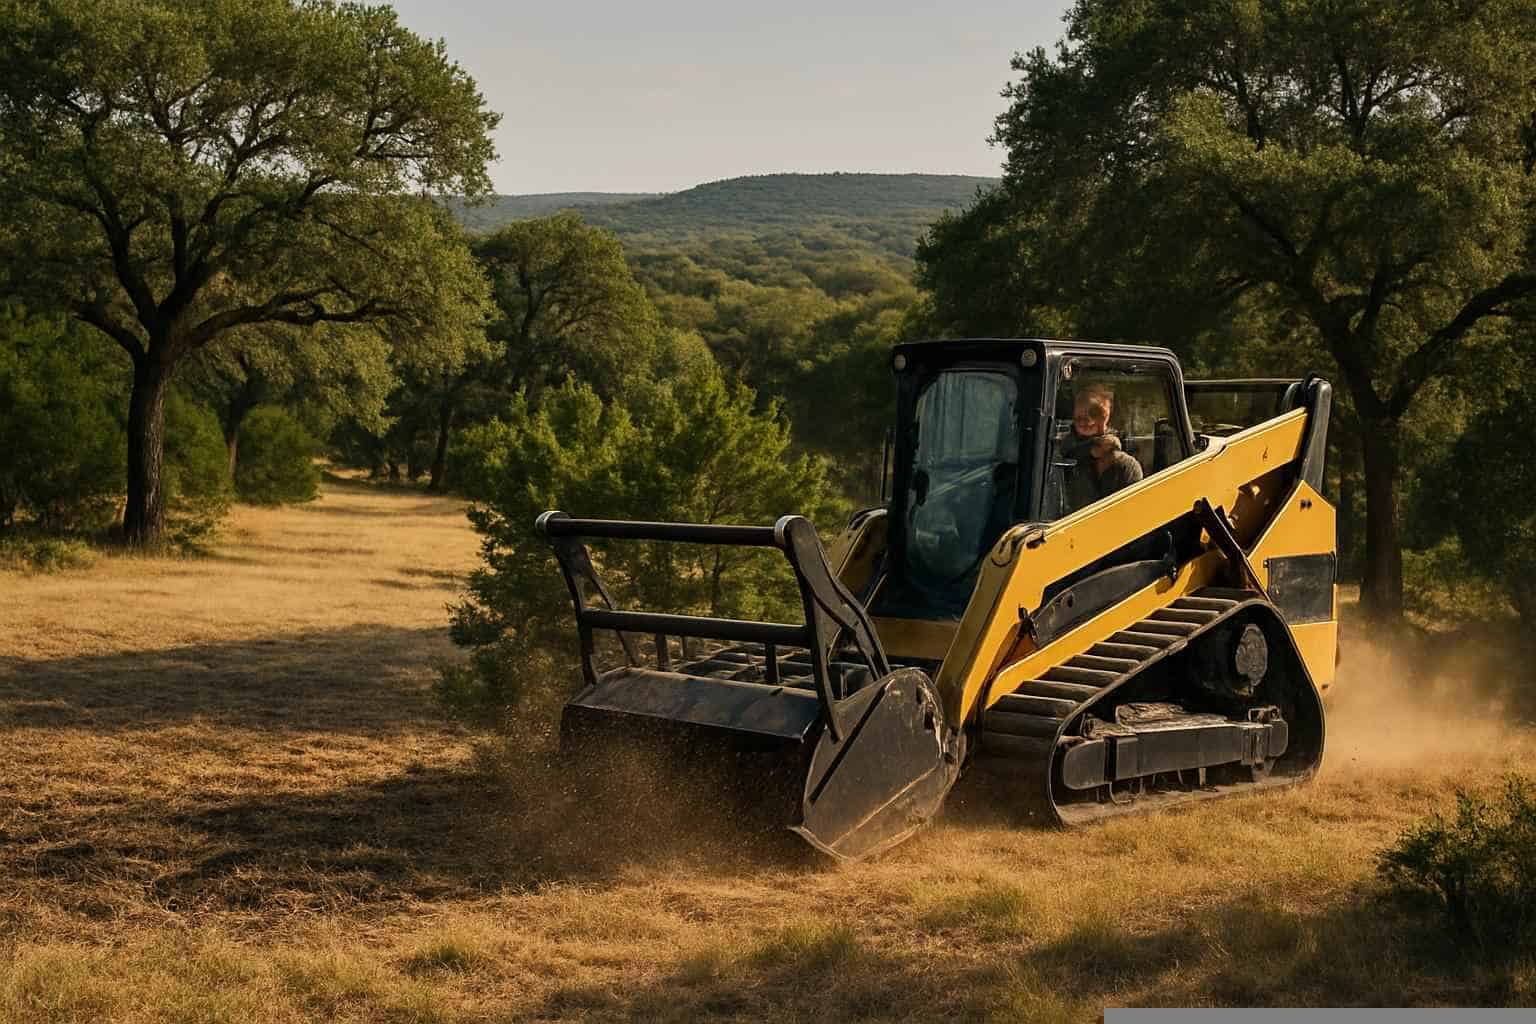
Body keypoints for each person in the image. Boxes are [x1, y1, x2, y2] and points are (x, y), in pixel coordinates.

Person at [1060, 381, 1142, 512]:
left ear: (1107, 416)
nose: (1085, 422)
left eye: (1093, 414)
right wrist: (1091, 450)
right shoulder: (1066, 443)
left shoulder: (1123, 447)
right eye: (1079, 417)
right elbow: (1066, 455)